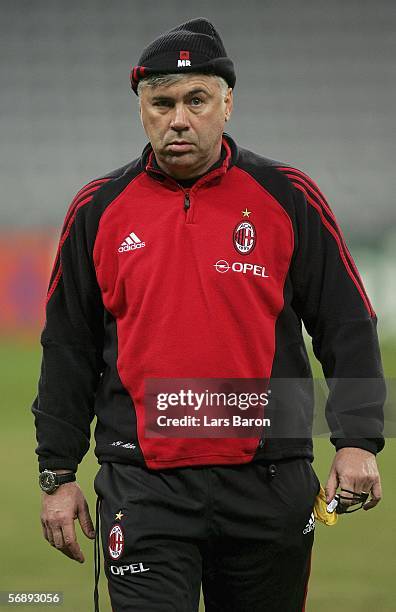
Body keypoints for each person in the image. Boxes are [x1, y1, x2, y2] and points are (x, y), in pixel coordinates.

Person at [32, 17, 386, 612]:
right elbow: (67, 348)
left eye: (196, 99)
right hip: (143, 486)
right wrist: (57, 474)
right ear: (140, 109)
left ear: (227, 104)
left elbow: (347, 322)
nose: (178, 118)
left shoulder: (288, 196)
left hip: (269, 480)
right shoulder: (97, 210)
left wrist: (359, 442)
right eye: (161, 101)